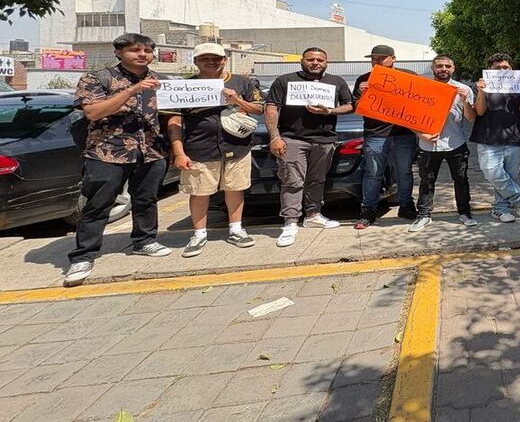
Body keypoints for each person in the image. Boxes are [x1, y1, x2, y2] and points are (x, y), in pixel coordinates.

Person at [64, 34, 171, 286]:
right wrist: (132, 90)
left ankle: (144, 241)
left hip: (152, 150)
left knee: (146, 199)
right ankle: (83, 255)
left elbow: (173, 115)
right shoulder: (97, 78)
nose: (142, 54)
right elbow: (92, 111)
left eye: (147, 50)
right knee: (99, 203)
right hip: (107, 152)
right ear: (118, 52)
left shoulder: (162, 81)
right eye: (135, 50)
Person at [165, 43, 264, 257]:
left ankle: (236, 230)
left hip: (237, 147)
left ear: (224, 60)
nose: (211, 62)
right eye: (205, 58)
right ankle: (199, 234)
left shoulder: (242, 82)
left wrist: (237, 100)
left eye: (216, 58)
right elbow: (174, 120)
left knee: (235, 189)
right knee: (199, 192)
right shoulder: (184, 86)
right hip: (199, 147)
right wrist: (179, 152)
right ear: (195, 62)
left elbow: (259, 109)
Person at [264, 48, 354, 247]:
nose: (315, 62)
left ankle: (313, 215)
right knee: (292, 181)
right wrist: (275, 137)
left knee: (317, 180)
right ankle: (290, 222)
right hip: (293, 138)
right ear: (302, 61)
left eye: (320, 59)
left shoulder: (336, 81)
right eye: (310, 59)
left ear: (326, 62)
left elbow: (349, 106)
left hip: (325, 140)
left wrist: (329, 111)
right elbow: (271, 107)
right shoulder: (285, 81)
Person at [353, 45, 419, 229]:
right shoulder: (364, 79)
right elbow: (357, 108)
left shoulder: (409, 75)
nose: (377, 61)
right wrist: (361, 92)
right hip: (376, 134)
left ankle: (406, 205)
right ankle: (368, 210)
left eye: (381, 58)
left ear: (393, 58)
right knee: (373, 173)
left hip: (403, 134)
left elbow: (420, 100)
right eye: (374, 58)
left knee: (404, 172)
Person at [409, 55, 477, 231]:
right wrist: (420, 134)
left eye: (447, 66)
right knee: (426, 181)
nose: (443, 69)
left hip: (456, 143)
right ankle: (423, 215)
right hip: (428, 145)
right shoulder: (422, 88)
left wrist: (465, 103)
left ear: (453, 69)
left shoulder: (463, 89)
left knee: (461, 180)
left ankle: (465, 212)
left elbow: (471, 118)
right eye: (439, 66)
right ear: (433, 68)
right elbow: (409, 117)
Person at [472, 53, 520, 223]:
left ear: (511, 68)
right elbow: (480, 111)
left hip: (513, 137)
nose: (502, 70)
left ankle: (500, 209)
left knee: (508, 177)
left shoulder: (518, 85)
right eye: (497, 68)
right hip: (488, 138)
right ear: (489, 69)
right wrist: (481, 92)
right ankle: (519, 195)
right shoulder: (484, 86)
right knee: (493, 173)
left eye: (505, 67)